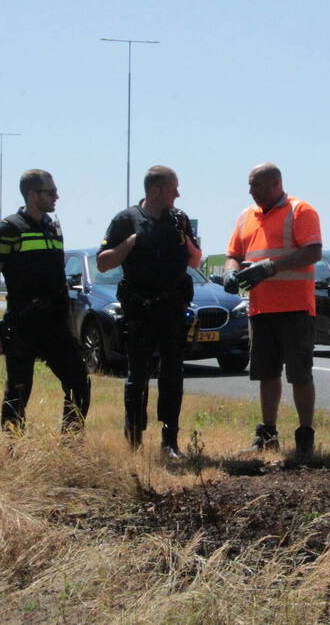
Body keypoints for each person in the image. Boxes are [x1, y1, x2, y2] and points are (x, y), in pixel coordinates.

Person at [98, 165, 202, 461]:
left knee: (173, 375)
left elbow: (195, 262)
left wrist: (186, 239)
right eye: (173, 188)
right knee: (138, 375)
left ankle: (170, 440)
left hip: (172, 307)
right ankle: (134, 438)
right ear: (155, 190)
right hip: (139, 309)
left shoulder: (179, 219)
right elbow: (103, 263)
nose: (178, 194)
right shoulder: (125, 219)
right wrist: (132, 242)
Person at [224, 162, 322, 455]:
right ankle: (267, 434)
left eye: (256, 185)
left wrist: (270, 267)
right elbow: (234, 254)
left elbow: (313, 251)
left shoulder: (300, 210)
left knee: (299, 374)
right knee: (266, 374)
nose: (251, 191)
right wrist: (231, 272)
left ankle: (305, 436)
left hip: (295, 309)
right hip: (261, 309)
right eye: (250, 185)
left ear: (275, 184)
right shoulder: (246, 217)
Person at [0, 169, 91, 433]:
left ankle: (69, 445)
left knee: (79, 380)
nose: (57, 196)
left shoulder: (53, 227)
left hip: (54, 324)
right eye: (50, 192)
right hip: (23, 324)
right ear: (33, 195)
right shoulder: (8, 229)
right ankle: (13, 450)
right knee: (18, 391)